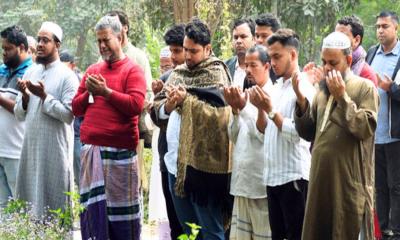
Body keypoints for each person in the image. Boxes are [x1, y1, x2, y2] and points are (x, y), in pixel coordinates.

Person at [293, 31, 379, 240]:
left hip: (348, 183)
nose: (328, 68)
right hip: (320, 182)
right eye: (324, 62)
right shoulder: (322, 92)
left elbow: (365, 127)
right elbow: (308, 132)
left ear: (348, 60)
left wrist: (342, 97)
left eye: (333, 62)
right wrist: (302, 101)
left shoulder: (364, 88)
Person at [152, 18, 231, 240]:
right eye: (185, 50)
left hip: (204, 169)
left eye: (193, 51)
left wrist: (186, 101)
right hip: (175, 164)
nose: (187, 56)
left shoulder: (217, 73)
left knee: (210, 230)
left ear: (208, 48)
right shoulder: (178, 73)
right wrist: (168, 105)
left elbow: (221, 117)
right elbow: (156, 107)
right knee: (187, 230)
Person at [72, 15, 146, 240]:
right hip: (92, 153)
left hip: (120, 157)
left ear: (120, 37)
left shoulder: (132, 70)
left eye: (107, 40)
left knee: (122, 216)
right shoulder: (93, 69)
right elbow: (76, 107)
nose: (102, 45)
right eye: (99, 41)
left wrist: (107, 93)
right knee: (94, 213)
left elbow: (135, 106)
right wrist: (90, 93)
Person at [248, 29, 315, 240]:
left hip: (293, 176)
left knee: (296, 235)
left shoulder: (304, 87)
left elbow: (299, 135)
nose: (273, 62)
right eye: (271, 57)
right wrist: (260, 107)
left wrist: (270, 110)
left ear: (293, 55)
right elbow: (262, 132)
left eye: (277, 56)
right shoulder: (276, 88)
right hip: (272, 177)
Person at [13, 21, 79, 217]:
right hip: (30, 153)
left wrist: (43, 96)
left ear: (57, 45)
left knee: (54, 212)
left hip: (55, 155)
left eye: (45, 40)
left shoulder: (68, 77)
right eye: (39, 39)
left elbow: (68, 115)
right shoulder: (30, 72)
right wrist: (25, 98)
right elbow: (19, 113)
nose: (40, 44)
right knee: (29, 210)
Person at [224, 45, 272, 240]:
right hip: (241, 183)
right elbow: (233, 136)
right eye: (247, 66)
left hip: (260, 186)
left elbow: (262, 135)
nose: (249, 70)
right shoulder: (245, 94)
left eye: (254, 65)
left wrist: (243, 108)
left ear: (267, 66)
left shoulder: (271, 95)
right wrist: (235, 111)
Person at [366, 11, 400, 240]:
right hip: (373, 135)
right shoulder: (371, 54)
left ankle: (396, 231)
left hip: (395, 134)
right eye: (378, 26)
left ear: (395, 28)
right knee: (378, 187)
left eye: (385, 26)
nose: (380, 30)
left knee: (396, 186)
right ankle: (382, 229)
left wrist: (392, 89)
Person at [151, 23, 186, 240]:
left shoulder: (206, 77)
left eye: (177, 50)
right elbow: (155, 115)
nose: (173, 57)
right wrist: (164, 105)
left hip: (192, 164)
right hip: (167, 158)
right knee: (175, 223)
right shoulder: (165, 80)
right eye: (171, 50)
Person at [0, 25, 33, 207]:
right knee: (3, 210)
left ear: (21, 47)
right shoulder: (1, 70)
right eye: (2, 49)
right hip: (0, 149)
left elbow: (22, 110)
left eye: (7, 49)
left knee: (21, 206)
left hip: (16, 151)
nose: (4, 53)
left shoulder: (30, 73)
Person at [60, 49, 83, 189]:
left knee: (79, 167)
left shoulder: (80, 80)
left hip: (77, 132)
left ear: (73, 65)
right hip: (63, 131)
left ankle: (83, 204)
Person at [335, 15, 378, 86]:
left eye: (342, 36)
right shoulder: (331, 65)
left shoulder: (367, 76)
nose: (336, 40)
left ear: (356, 40)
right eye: (335, 36)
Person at [225, 18, 255, 88]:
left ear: (254, 39)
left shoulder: (263, 67)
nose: (238, 41)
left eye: (243, 37)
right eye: (235, 37)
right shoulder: (225, 67)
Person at [255, 13, 280, 83]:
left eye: (264, 36)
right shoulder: (251, 70)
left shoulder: (284, 69)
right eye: (257, 36)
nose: (259, 40)